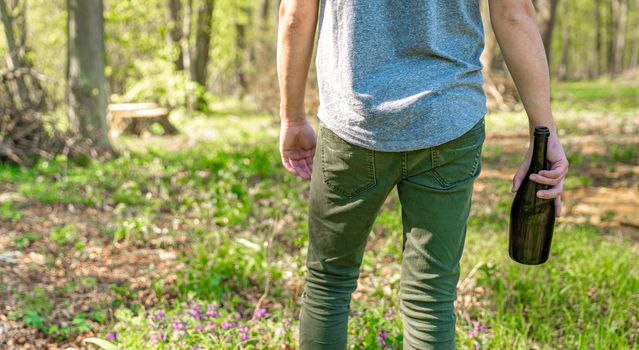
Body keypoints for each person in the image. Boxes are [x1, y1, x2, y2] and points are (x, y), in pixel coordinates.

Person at [276, 0, 569, 349]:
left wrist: (292, 117)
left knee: (329, 282)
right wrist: (544, 130)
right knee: (430, 297)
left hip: (355, 119)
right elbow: (514, 13)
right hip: (449, 119)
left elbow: (295, 12)